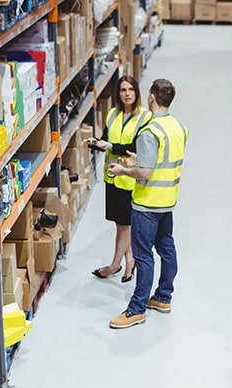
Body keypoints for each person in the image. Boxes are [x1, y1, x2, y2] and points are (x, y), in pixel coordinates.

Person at [104, 79, 187, 330]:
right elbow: (163, 161)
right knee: (167, 248)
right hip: (167, 200)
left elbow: (145, 173)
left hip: (147, 203)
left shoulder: (150, 131)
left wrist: (123, 169)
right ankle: (163, 297)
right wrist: (140, 159)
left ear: (151, 97)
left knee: (143, 256)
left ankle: (137, 308)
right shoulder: (177, 127)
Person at [87, 76, 151, 283]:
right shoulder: (113, 114)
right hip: (112, 177)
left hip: (129, 177)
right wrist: (96, 143)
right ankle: (130, 260)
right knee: (121, 223)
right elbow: (107, 139)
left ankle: (114, 265)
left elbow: (137, 147)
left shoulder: (144, 117)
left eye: (131, 89)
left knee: (124, 225)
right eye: (123, 90)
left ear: (137, 92)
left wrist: (110, 147)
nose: (127, 94)